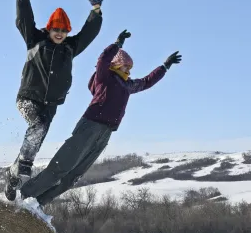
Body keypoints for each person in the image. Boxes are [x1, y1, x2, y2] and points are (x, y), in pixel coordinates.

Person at [11, 30, 183, 205]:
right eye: (125, 66)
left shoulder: (127, 85)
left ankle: (37, 204)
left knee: (72, 177)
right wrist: (117, 44)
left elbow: (147, 82)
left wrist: (165, 66)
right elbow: (102, 60)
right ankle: (23, 195)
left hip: (106, 133)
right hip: (90, 126)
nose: (128, 70)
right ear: (116, 64)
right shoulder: (104, 77)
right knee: (60, 168)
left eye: (130, 68)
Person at [4, 0, 104, 200]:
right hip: (28, 98)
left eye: (64, 30)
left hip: (51, 104)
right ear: (48, 28)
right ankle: (24, 165)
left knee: (35, 139)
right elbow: (24, 18)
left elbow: (89, 33)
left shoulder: (70, 48)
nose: (59, 33)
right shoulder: (34, 40)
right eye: (56, 29)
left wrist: (96, 10)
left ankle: (13, 175)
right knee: (36, 128)